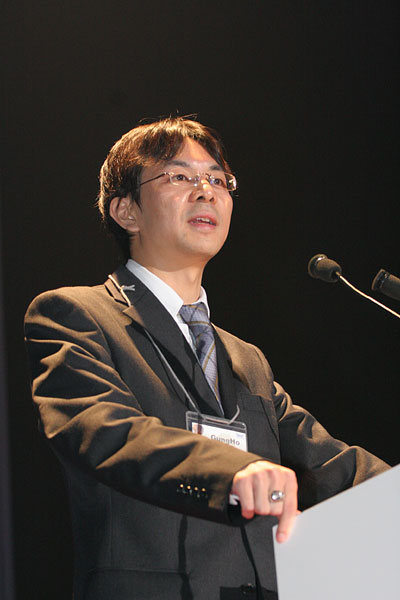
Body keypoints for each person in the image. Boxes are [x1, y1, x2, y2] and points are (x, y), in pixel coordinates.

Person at [24, 117, 388, 600]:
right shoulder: (75, 314)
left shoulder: (246, 359)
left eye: (219, 180)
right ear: (126, 211)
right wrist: (231, 470)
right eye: (179, 176)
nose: (206, 191)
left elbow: (331, 463)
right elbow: (104, 431)